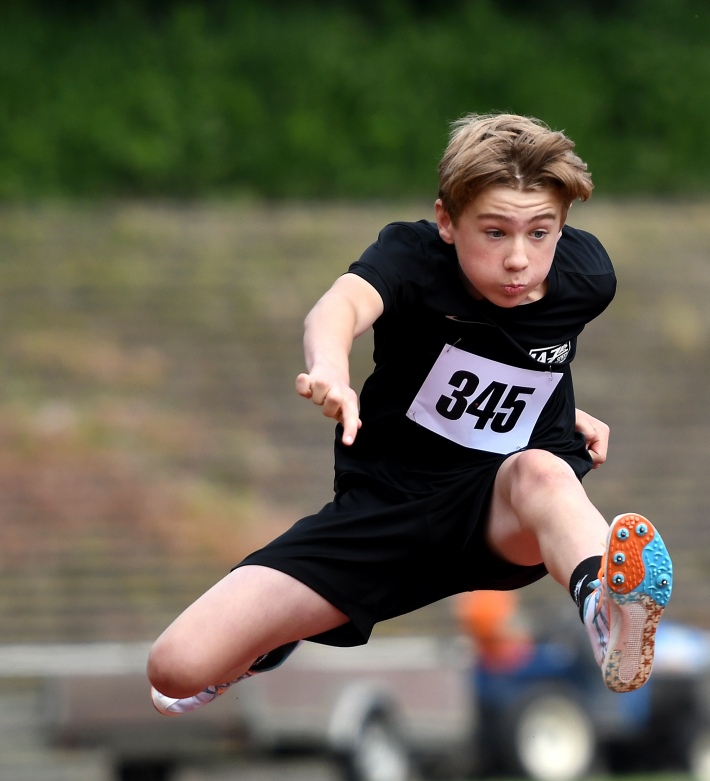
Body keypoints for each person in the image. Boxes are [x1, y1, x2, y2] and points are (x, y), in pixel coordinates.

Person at [147, 113, 672, 716]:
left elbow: (528, 355)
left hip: (498, 512)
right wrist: (330, 368)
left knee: (544, 473)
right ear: (447, 221)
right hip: (385, 513)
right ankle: (269, 640)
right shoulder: (413, 258)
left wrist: (563, 410)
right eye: (495, 232)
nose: (518, 261)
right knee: (174, 670)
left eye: (539, 233)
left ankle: (605, 606)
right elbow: (340, 305)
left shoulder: (586, 278)